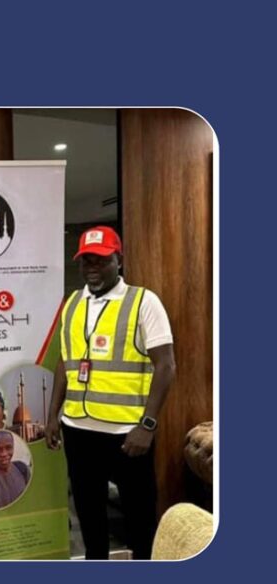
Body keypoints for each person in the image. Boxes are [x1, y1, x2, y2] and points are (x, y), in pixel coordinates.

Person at [46, 226, 176, 560]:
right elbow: (65, 361)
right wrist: (53, 415)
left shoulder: (143, 302)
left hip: (127, 435)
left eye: (101, 260)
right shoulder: (73, 303)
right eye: (86, 260)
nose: (92, 267)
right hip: (78, 430)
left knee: (140, 519)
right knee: (89, 517)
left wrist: (147, 425)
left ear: (119, 260)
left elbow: (166, 366)